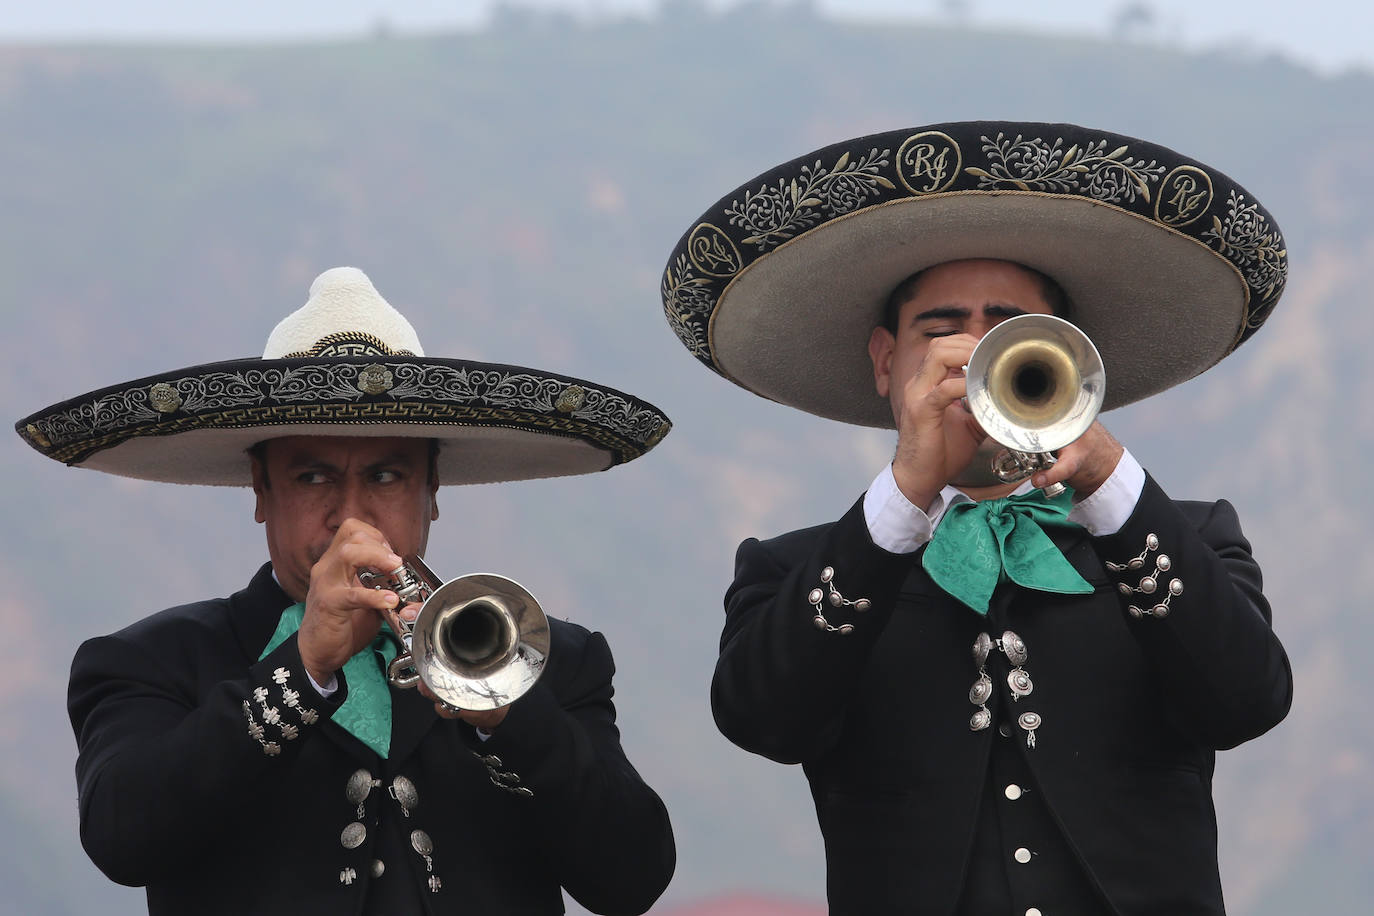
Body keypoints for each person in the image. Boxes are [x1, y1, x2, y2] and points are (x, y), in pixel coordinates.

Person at [659, 121, 1293, 914]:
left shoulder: (1182, 537)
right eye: (943, 327)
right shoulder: (798, 570)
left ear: (1071, 357)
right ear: (887, 363)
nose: (977, 354)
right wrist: (904, 494)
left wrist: (1102, 472)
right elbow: (763, 721)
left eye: (1010, 329)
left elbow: (1247, 701)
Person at [17, 267, 676, 915]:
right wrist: (303, 668)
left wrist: (506, 715)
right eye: (311, 477)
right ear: (260, 489)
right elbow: (122, 841)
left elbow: (632, 880)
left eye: (387, 475)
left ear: (432, 492)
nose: (350, 516)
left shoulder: (550, 657)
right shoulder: (151, 659)